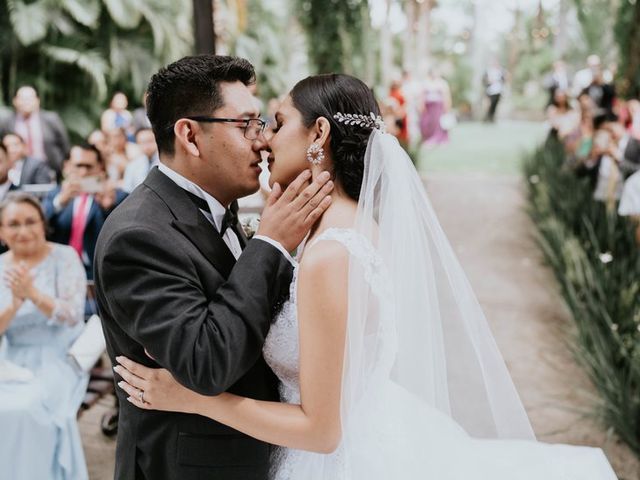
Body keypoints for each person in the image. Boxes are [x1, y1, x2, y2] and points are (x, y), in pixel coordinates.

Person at [115, 73, 617, 479]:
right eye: (252, 123)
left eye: (275, 121)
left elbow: (321, 430)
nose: (264, 136)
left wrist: (194, 397)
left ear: (319, 135)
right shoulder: (325, 227)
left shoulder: (332, 251)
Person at [94, 55, 333, 480]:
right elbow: (207, 363)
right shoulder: (137, 237)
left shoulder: (222, 208)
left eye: (262, 125)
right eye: (246, 125)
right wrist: (271, 243)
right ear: (190, 135)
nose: (262, 141)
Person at [0, 194, 88, 479]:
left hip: (57, 355)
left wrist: (33, 295)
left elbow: (74, 314)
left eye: (30, 222)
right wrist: (13, 305)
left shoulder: (64, 256)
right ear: (2, 231)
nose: (23, 231)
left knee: (27, 410)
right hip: (10, 358)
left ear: (42, 225)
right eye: (13, 224)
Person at [43, 143, 126, 280]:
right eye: (78, 166)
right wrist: (59, 203)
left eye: (89, 166)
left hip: (97, 274)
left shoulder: (116, 196)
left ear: (100, 167)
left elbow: (123, 236)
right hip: (59, 272)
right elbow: (38, 225)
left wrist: (108, 208)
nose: (83, 172)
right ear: (67, 166)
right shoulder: (54, 196)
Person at [0, 86, 70, 179]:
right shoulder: (7, 122)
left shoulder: (51, 120)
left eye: (30, 98)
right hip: (18, 173)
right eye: (23, 99)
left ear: (37, 100)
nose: (26, 102)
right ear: (15, 101)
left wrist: (63, 166)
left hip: (50, 170)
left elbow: (64, 146)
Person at [419, 68, 452, 145]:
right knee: (429, 122)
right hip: (429, 107)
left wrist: (447, 106)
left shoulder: (442, 83)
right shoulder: (426, 82)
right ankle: (429, 137)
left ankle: (440, 138)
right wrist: (422, 105)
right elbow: (422, 95)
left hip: (438, 107)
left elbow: (446, 96)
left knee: (438, 122)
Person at [122, 127, 159, 193]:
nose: (147, 146)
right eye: (142, 142)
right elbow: (127, 189)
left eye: (150, 141)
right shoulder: (132, 165)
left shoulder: (166, 162)